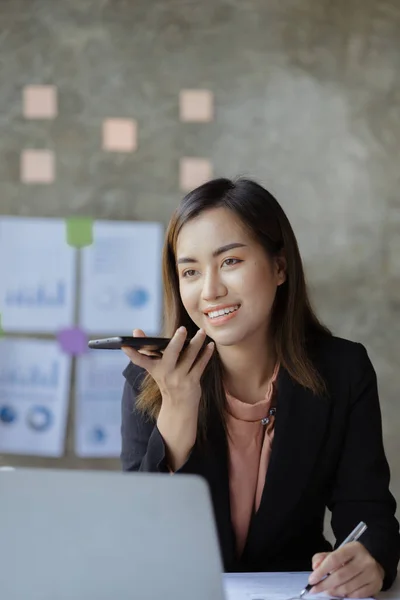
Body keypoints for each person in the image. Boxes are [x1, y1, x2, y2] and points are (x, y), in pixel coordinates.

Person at [120, 177, 400, 596]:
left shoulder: (342, 371)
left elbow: (368, 511)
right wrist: (178, 408)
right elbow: (133, 535)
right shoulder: (149, 379)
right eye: (191, 271)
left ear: (280, 267)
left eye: (230, 261)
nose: (210, 290)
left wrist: (369, 558)